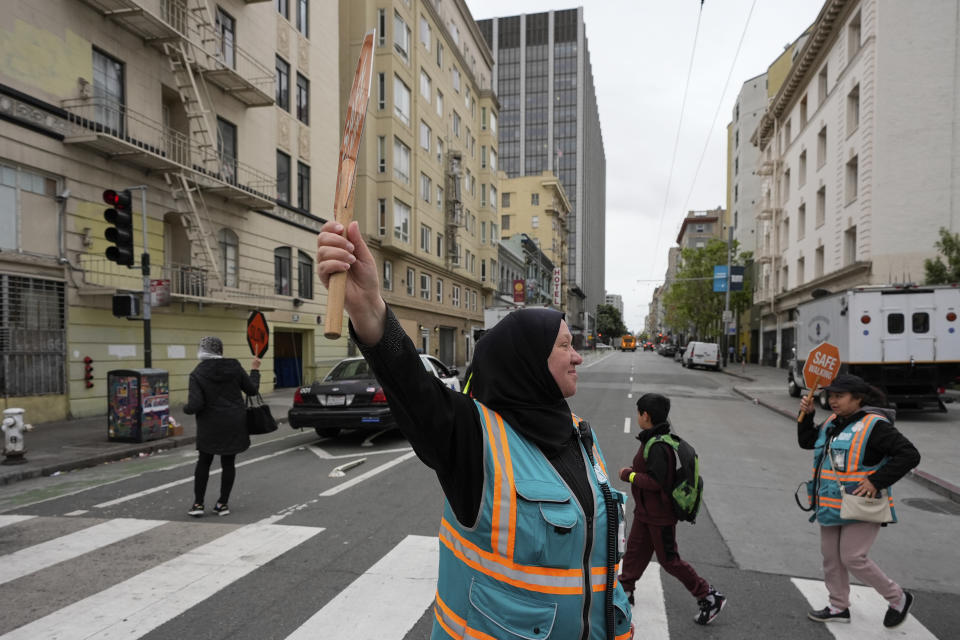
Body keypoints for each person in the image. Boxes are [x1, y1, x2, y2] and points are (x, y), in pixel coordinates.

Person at [316, 220, 633, 640]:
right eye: (564, 345)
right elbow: (411, 384)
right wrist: (368, 306)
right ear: (528, 360)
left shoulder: (579, 433)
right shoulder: (472, 436)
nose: (576, 356)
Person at [797, 373, 920, 628]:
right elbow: (807, 441)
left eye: (839, 396)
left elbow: (909, 455)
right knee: (830, 557)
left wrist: (876, 481)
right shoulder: (832, 421)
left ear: (858, 399)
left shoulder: (875, 425)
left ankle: (897, 597)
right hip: (830, 505)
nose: (833, 400)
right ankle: (838, 606)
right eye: (831, 395)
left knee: (853, 557)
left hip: (861, 505)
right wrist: (807, 416)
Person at [617, 393, 726, 626]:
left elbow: (657, 482)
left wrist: (630, 475)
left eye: (638, 413)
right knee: (635, 551)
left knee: (670, 560)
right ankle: (625, 591)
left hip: (660, 516)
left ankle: (708, 595)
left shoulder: (658, 447)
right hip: (646, 513)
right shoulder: (653, 439)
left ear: (645, 416)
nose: (637, 416)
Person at [183, 336, 261, 517]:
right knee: (228, 462)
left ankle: (198, 504)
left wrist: (185, 409)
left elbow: (195, 405)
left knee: (204, 462)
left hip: (209, 424)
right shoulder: (234, 366)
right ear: (220, 350)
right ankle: (222, 504)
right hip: (234, 421)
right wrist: (255, 370)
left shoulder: (197, 373)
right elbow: (251, 390)